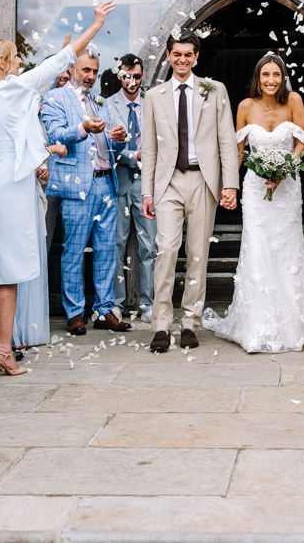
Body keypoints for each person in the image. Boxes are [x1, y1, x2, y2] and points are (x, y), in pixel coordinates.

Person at [0, 6, 112, 372]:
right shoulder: (14, 89)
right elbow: (62, 60)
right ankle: (2, 349)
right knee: (7, 273)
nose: (19, 63)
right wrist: (95, 24)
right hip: (7, 189)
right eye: (15, 59)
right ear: (2, 65)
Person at [203, 54, 304, 352]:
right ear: (257, 78)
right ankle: (255, 327)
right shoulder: (245, 107)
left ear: (283, 76)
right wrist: (229, 186)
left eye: (276, 74)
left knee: (288, 249)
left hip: (288, 188)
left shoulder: (294, 100)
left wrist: (285, 170)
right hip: (255, 188)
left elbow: (302, 141)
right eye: (265, 75)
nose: (271, 80)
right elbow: (238, 150)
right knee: (257, 248)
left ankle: (291, 326)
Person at [141, 35, 240, 353]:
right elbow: (150, 148)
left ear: (196, 57)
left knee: (198, 254)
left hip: (203, 180)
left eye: (188, 54)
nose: (182, 60)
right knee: (167, 250)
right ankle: (161, 325)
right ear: (168, 56)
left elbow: (227, 139)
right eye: (176, 54)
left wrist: (230, 184)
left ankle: (189, 323)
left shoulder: (215, 89)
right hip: (168, 182)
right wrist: (147, 192)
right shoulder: (154, 96)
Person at [43, 47, 132, 337]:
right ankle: (75, 312)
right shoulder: (55, 98)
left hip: (107, 181)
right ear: (71, 70)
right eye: (86, 71)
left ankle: (105, 310)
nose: (92, 76)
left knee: (107, 250)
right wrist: (82, 127)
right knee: (74, 250)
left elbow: (109, 144)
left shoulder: (100, 101)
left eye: (95, 71)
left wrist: (118, 139)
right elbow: (55, 135)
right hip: (77, 185)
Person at [107, 53, 157, 321]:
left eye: (138, 76)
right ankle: (117, 302)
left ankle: (148, 303)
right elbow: (104, 145)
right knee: (117, 243)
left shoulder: (152, 104)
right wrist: (132, 155)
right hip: (118, 181)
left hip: (148, 183)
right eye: (128, 76)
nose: (133, 81)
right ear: (119, 75)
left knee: (149, 244)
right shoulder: (107, 105)